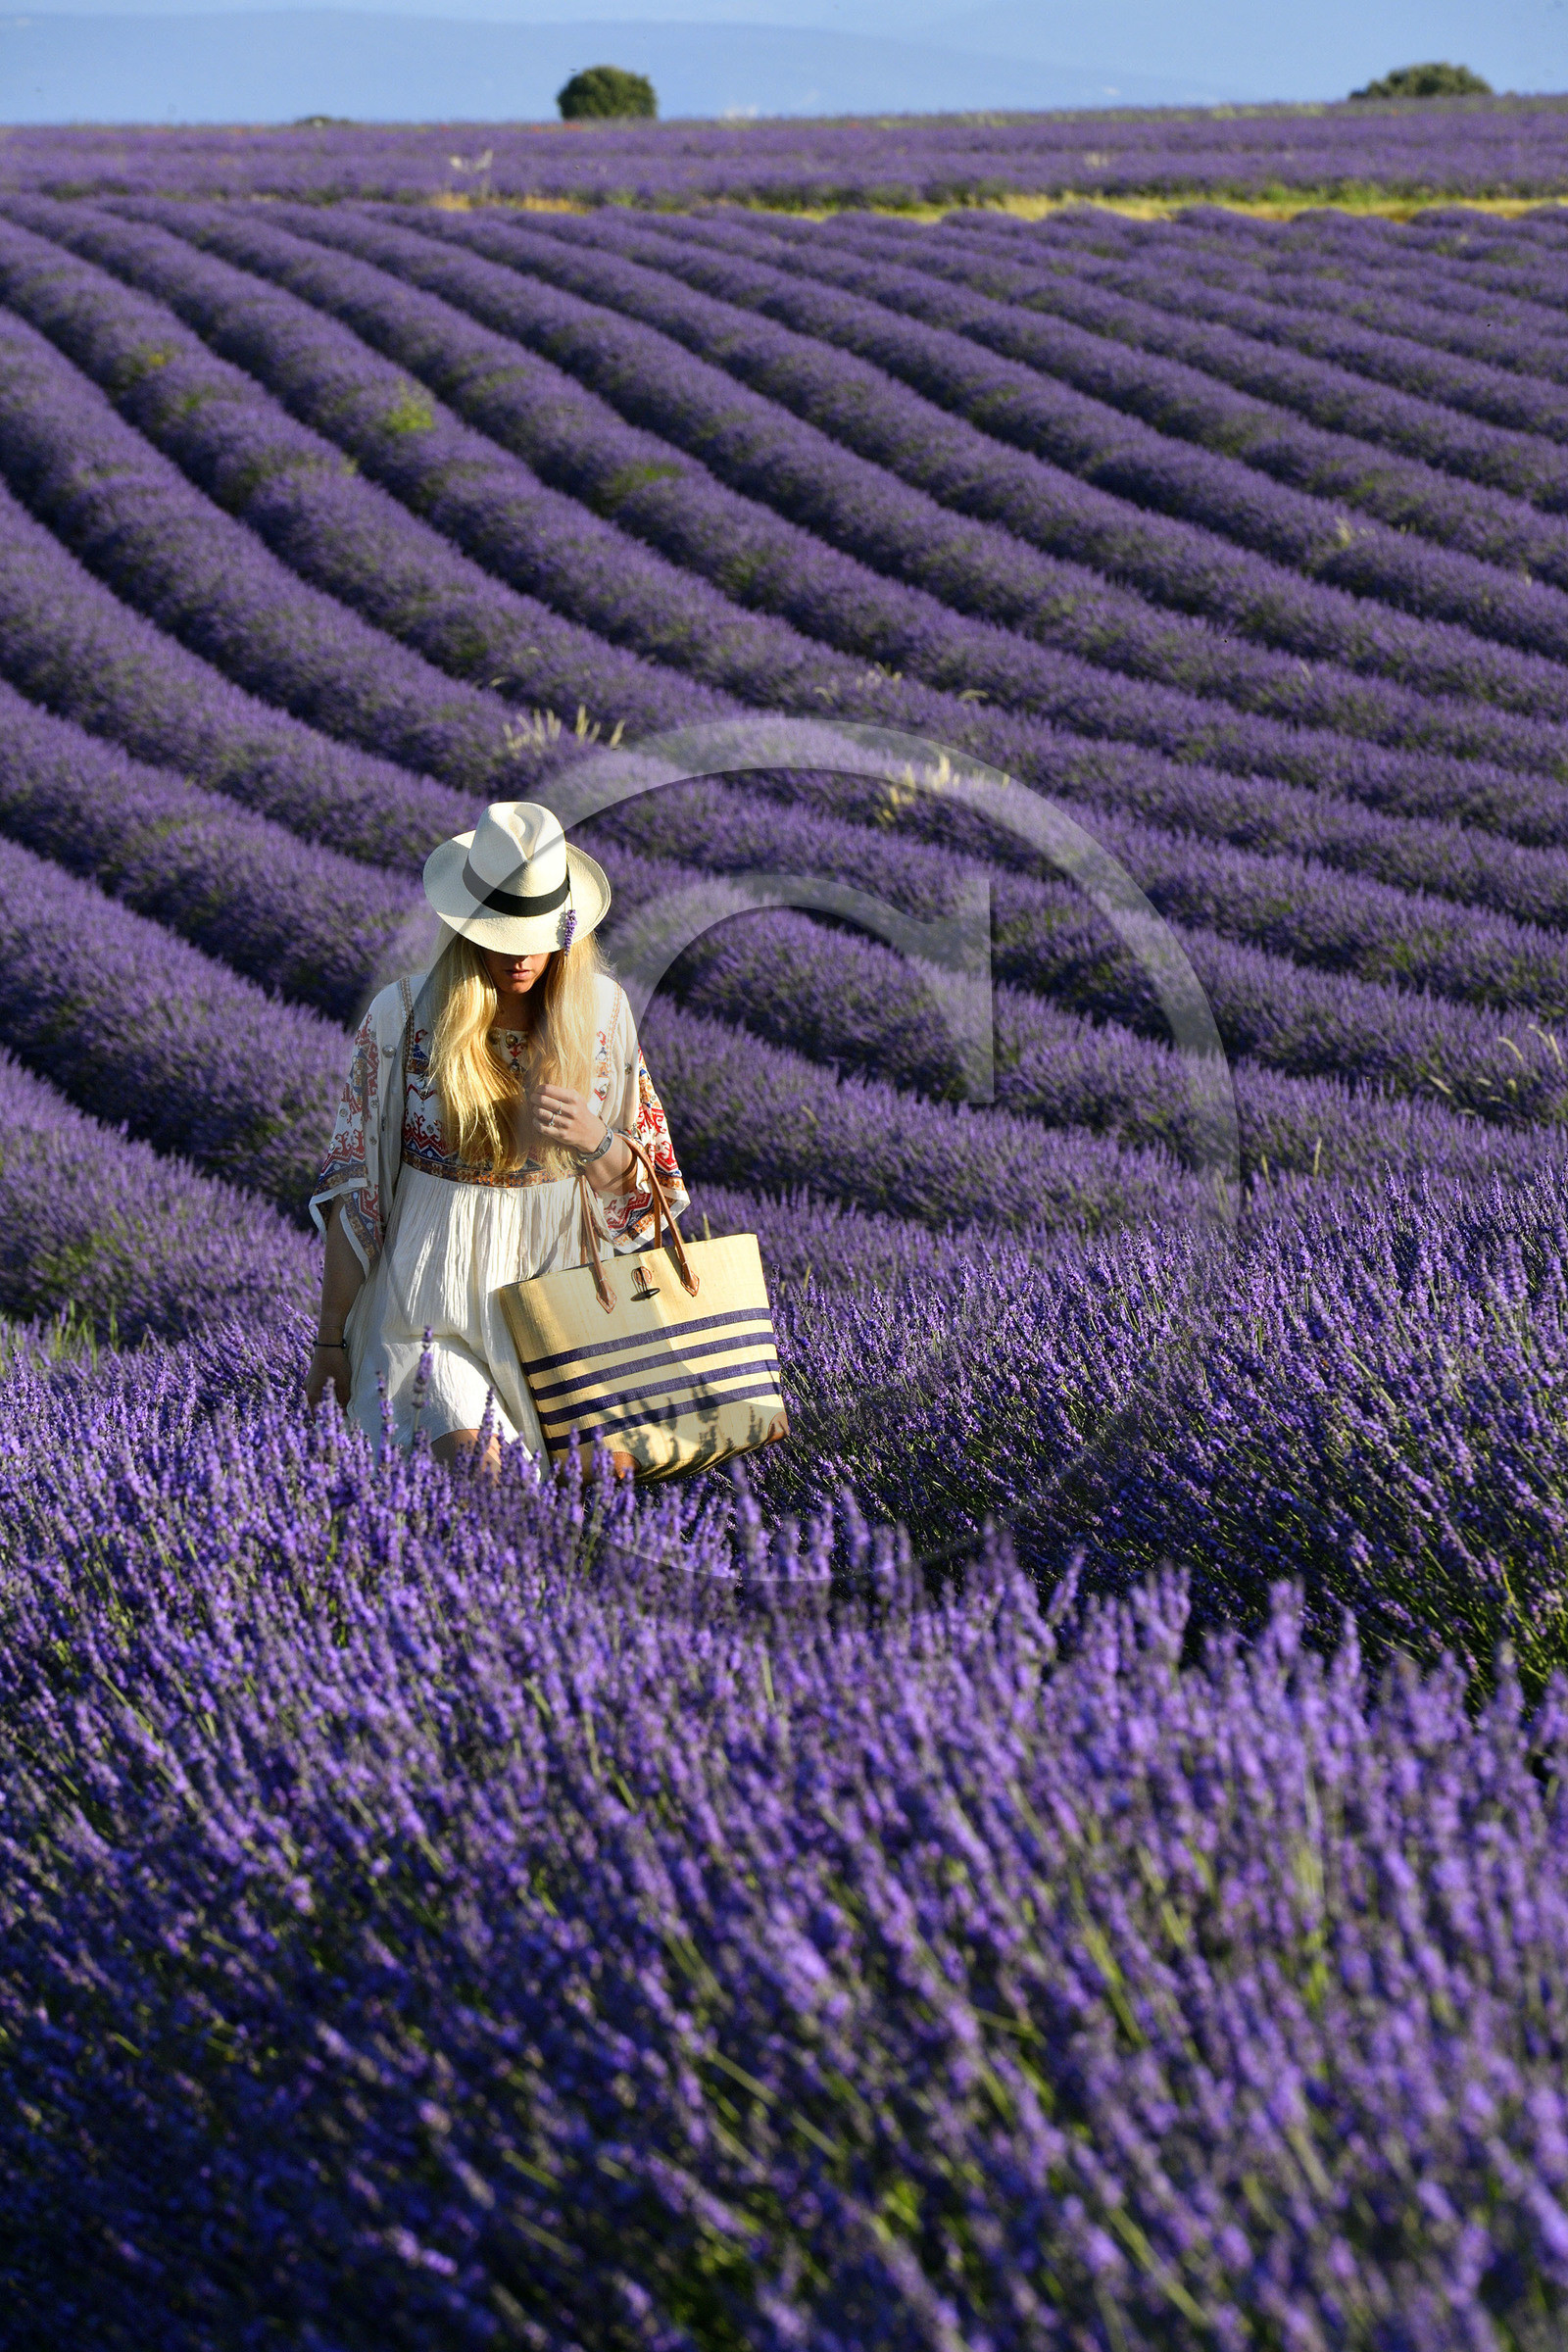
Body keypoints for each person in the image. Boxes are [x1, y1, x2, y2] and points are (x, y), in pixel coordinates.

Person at [305, 800, 688, 1463]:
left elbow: (650, 1201)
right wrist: (331, 1340)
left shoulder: (604, 1017)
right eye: (502, 933)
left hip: (564, 1306)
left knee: (598, 1491)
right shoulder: (402, 1017)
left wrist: (595, 1141)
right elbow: (356, 1196)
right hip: (427, 1308)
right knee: (477, 1471)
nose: (520, 956)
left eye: (537, 933)